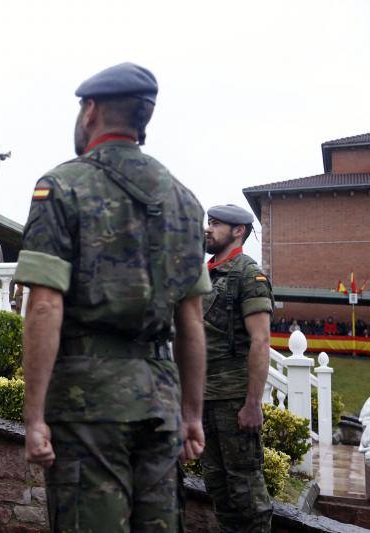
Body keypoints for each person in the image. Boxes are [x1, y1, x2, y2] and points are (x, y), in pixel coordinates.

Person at [14, 62, 209, 532]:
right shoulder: (185, 202)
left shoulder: (61, 188)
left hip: (88, 407)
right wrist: (191, 415)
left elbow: (44, 305)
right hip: (160, 404)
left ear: (91, 111)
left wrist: (34, 416)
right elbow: (192, 322)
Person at [202, 204, 274, 532]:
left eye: (216, 224)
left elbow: (260, 341)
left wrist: (252, 404)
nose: (208, 228)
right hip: (204, 397)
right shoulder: (204, 274)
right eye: (208, 222)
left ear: (238, 231)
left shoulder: (248, 273)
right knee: (217, 485)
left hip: (234, 399)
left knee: (246, 489)